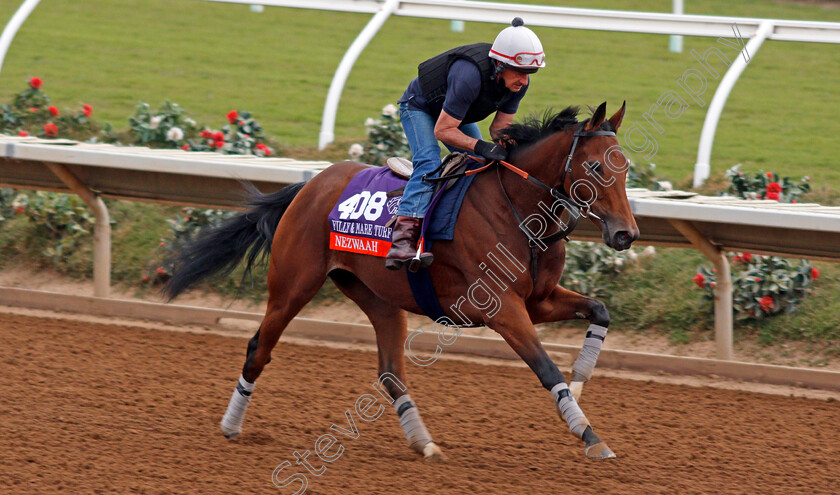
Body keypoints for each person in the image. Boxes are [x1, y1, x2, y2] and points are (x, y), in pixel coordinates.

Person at [385, 17, 546, 270]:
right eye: (521, 73)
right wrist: (481, 146)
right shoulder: (469, 75)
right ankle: (402, 243)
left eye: (530, 74)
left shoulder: (517, 84)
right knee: (429, 163)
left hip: (455, 115)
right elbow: (443, 130)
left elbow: (499, 128)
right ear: (499, 65)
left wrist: (515, 151)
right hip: (420, 108)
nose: (524, 82)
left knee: (481, 163)